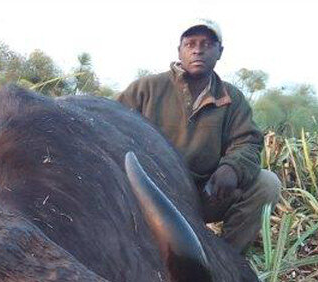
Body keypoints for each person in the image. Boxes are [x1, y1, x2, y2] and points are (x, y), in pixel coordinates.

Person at [117, 19, 278, 253]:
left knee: (267, 184)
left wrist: (232, 168)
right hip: (146, 192)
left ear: (219, 52)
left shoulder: (232, 99)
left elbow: (248, 142)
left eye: (207, 44)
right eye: (190, 43)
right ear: (179, 50)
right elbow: (107, 127)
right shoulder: (145, 89)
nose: (198, 50)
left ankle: (227, 262)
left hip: (203, 194)